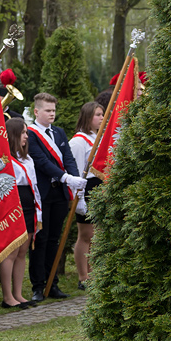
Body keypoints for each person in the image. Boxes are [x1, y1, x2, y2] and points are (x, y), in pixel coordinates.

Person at [26, 92, 86, 299]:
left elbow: (68, 158)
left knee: (54, 240)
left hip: (59, 194)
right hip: (42, 193)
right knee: (40, 239)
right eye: (48, 110)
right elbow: (41, 162)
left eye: (54, 110)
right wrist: (66, 178)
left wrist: (75, 181)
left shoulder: (59, 133)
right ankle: (37, 286)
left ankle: (52, 283)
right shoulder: (31, 134)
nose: (52, 114)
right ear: (36, 111)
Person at [0, 116, 39, 309]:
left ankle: (18, 293)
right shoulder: (4, 157)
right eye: (23, 132)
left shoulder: (27, 157)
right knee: (11, 251)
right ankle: (7, 297)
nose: (26, 136)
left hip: (28, 202)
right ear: (13, 134)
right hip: (13, 203)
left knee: (23, 251)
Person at [68, 102, 103, 289]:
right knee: (86, 234)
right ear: (88, 116)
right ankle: (83, 276)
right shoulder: (79, 141)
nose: (101, 118)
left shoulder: (99, 136)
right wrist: (79, 198)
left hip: (99, 187)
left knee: (96, 234)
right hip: (86, 188)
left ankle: (93, 272)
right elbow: (77, 172)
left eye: (102, 114)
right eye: (98, 114)